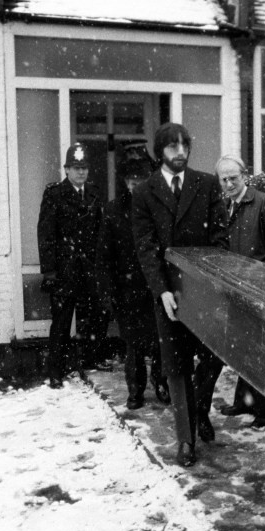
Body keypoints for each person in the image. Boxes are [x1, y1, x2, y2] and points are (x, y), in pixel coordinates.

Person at [132, 123, 229, 467]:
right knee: (176, 365)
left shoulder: (206, 185)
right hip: (170, 296)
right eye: (172, 147)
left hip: (203, 292)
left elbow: (219, 240)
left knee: (215, 355)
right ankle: (185, 439)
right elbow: (145, 248)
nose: (180, 153)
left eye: (184, 146)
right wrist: (162, 292)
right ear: (160, 153)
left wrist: (210, 285)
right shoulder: (145, 192)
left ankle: (200, 409)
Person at [195, 155, 265, 428]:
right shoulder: (224, 206)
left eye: (233, 178)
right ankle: (244, 402)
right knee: (242, 348)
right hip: (236, 290)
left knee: (262, 351)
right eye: (223, 179)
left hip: (261, 289)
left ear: (245, 176)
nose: (228, 183)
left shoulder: (264, 202)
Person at [95, 151, 170, 410]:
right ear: (124, 181)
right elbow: (103, 256)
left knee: (162, 341)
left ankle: (161, 382)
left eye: (140, 179)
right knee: (134, 345)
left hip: (158, 288)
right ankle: (135, 390)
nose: (134, 185)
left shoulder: (161, 208)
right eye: (130, 180)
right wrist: (107, 291)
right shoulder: (113, 210)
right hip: (128, 291)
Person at [38, 142, 111, 390]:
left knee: (96, 314)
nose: (81, 172)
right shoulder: (55, 194)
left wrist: (102, 265)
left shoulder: (93, 193)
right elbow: (46, 234)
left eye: (84, 168)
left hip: (89, 269)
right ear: (66, 169)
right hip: (65, 270)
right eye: (76, 168)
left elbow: (101, 232)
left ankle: (90, 359)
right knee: (61, 322)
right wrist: (49, 271)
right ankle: (55, 372)